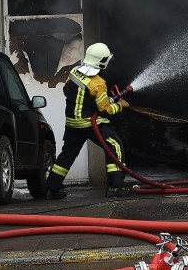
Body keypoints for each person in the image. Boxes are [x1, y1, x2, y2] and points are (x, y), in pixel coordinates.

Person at [44, 42, 134, 199]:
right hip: (90, 124)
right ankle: (116, 187)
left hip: (72, 123)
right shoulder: (98, 83)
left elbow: (67, 91)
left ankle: (52, 188)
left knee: (68, 154)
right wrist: (120, 105)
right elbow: (105, 110)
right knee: (115, 146)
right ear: (102, 61)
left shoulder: (74, 72)